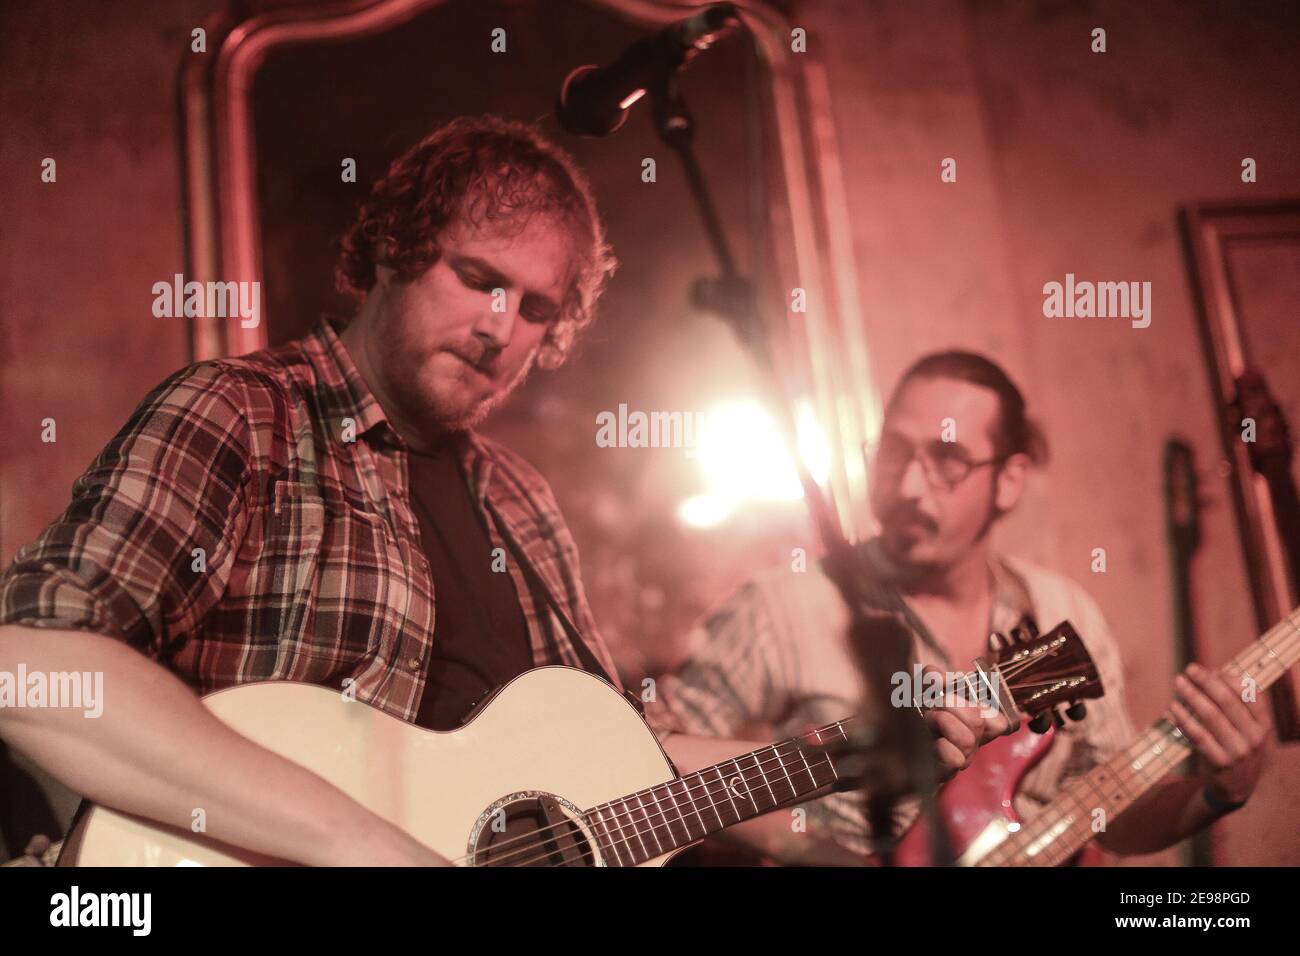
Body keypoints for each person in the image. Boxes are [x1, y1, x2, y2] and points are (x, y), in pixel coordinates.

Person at [0, 117, 1001, 867]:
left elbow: (610, 752)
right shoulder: (242, 415)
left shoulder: (520, 501)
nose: (500, 325)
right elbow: (31, 666)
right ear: (393, 248)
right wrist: (367, 846)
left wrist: (832, 757)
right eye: (478, 276)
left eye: (536, 307)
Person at [652, 351, 1271, 862]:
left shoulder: (1060, 612)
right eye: (893, 454)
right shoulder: (783, 606)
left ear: (1009, 480)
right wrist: (809, 851)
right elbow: (653, 758)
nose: (908, 487)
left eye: (946, 461)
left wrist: (1219, 792)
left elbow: (1109, 814)